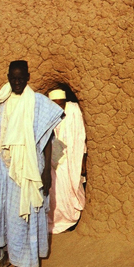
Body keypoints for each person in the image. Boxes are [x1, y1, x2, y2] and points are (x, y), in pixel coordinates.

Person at [0, 60, 64, 267]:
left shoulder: (37, 103)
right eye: (13, 78)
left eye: (21, 78)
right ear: (8, 76)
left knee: (24, 216)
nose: (17, 82)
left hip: (27, 170)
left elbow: (47, 140)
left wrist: (45, 175)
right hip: (1, 170)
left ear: (28, 77)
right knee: (3, 212)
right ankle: (6, 251)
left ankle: (20, 266)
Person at [47, 89, 87, 233]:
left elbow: (80, 135)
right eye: (55, 105)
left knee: (72, 186)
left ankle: (72, 219)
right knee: (55, 190)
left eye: (61, 104)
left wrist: (82, 158)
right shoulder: (47, 114)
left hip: (71, 157)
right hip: (53, 158)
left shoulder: (74, 111)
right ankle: (58, 222)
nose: (59, 108)